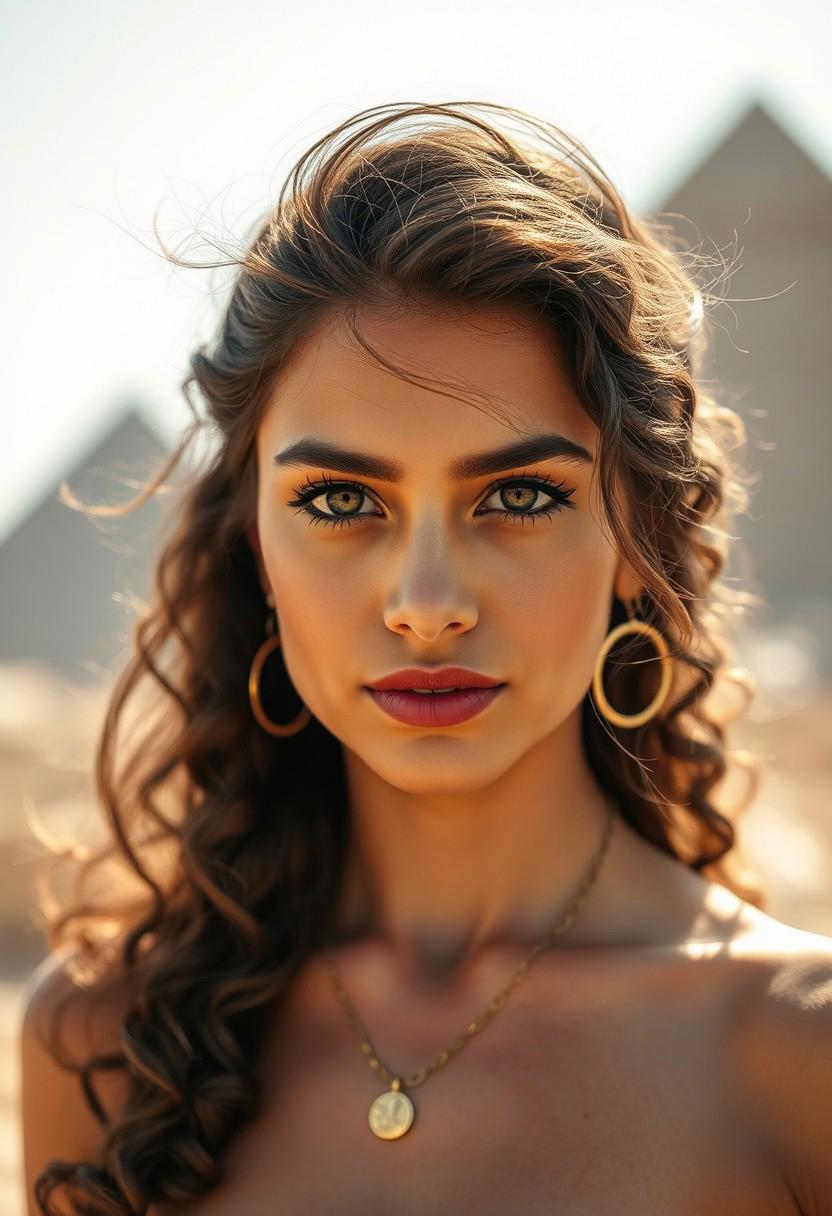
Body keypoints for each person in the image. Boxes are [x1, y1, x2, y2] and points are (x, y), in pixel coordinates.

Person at [20, 100, 832, 1216]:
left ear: (636, 539)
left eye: (518, 496)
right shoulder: (107, 1042)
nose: (427, 606)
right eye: (342, 500)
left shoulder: (799, 1053)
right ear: (253, 541)